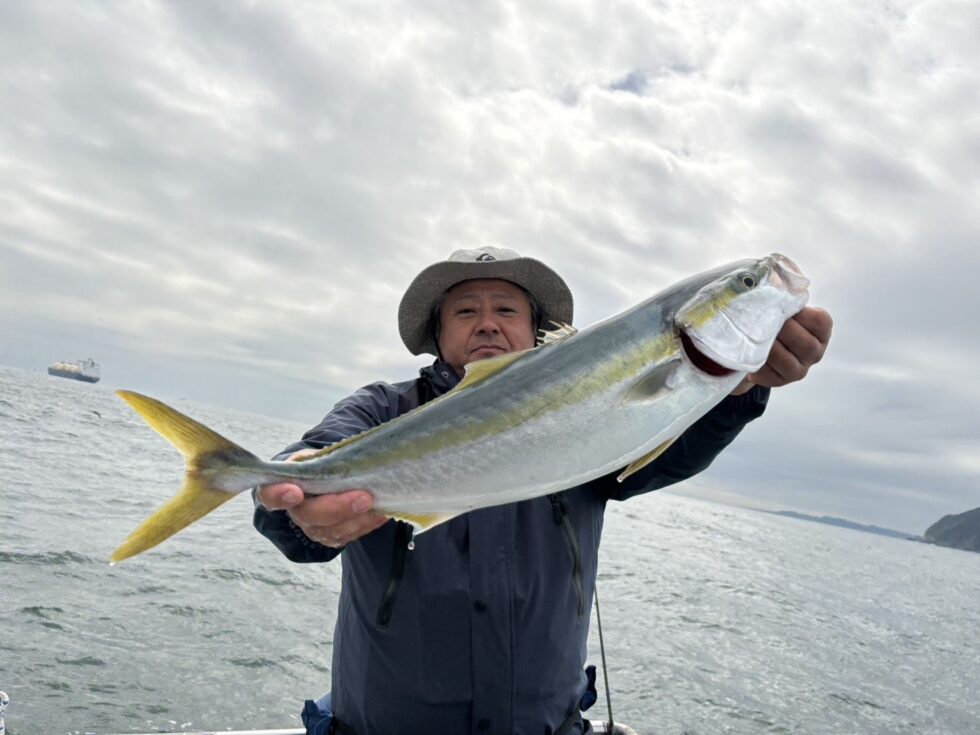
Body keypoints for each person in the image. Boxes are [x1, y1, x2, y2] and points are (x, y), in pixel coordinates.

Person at [253, 248, 832, 735]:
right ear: (438, 333)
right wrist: (288, 503)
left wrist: (738, 392)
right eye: (466, 311)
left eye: (506, 309)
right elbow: (309, 461)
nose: (487, 323)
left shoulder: (594, 414)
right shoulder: (385, 409)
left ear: (534, 330)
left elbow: (669, 449)